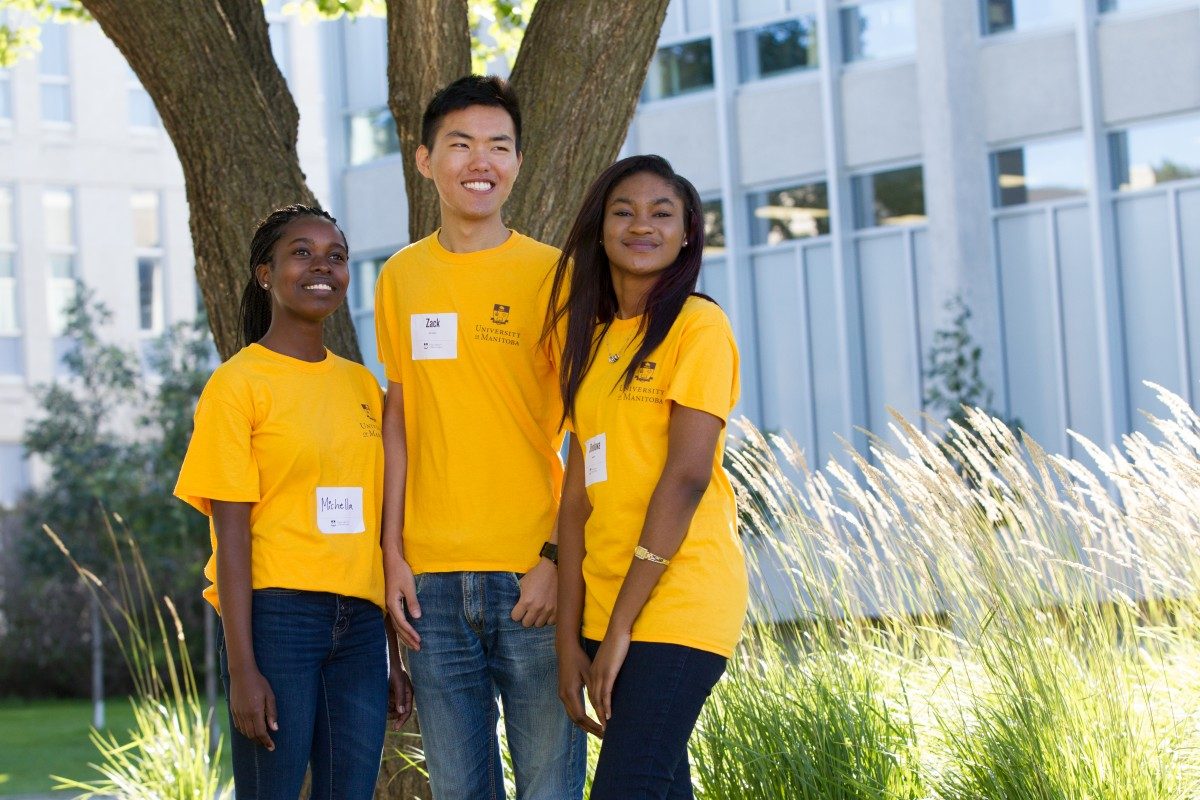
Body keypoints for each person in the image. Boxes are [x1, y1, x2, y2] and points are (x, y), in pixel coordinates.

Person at [373, 76, 585, 799]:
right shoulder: (400, 277)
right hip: (428, 583)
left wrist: (559, 558)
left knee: (550, 790)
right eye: (460, 145)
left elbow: (591, 434)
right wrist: (391, 554)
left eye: (498, 146)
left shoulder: (556, 274)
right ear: (426, 159)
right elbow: (398, 424)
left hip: (532, 576)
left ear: (518, 162)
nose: (479, 161)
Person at [174, 204, 412, 800]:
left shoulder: (363, 386)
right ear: (265, 273)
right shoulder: (237, 384)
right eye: (301, 253)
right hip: (277, 620)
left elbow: (382, 529)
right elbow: (231, 537)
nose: (322, 267)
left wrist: (392, 656)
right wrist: (244, 669)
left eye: (336, 256)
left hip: (359, 626)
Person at [546, 155, 749, 799]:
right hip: (607, 610)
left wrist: (623, 628)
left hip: (679, 604)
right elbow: (576, 503)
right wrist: (569, 641)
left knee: (626, 787)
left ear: (688, 232)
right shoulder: (597, 340)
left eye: (662, 213)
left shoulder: (700, 327)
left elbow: (685, 479)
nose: (642, 225)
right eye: (624, 211)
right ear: (599, 229)